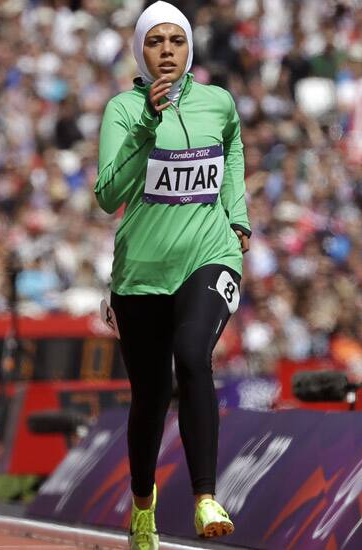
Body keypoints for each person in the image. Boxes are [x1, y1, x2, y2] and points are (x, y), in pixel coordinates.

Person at [93, 2, 250, 548]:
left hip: (209, 256)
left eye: (176, 41)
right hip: (140, 274)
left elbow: (232, 152)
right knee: (151, 397)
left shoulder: (218, 103)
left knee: (193, 356)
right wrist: (145, 129)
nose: (166, 51)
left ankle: (206, 495)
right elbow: (107, 196)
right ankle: (142, 506)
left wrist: (238, 215)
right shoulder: (122, 110)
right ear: (141, 51)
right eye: (155, 42)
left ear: (189, 49)